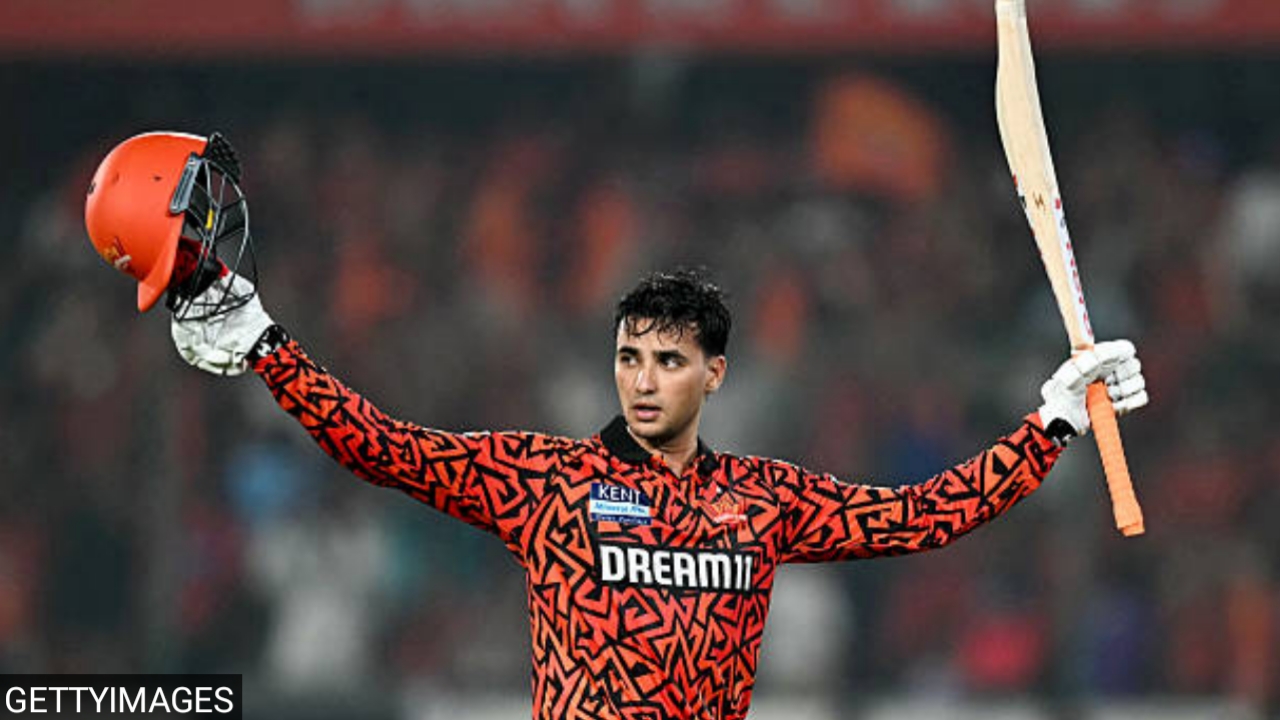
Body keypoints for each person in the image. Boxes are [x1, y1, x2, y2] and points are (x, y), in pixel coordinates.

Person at [89, 132, 1148, 720]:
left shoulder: (764, 501)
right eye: (629, 357)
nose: (643, 381)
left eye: (668, 362)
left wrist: (1051, 421)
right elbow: (382, 447)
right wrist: (269, 347)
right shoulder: (543, 479)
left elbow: (923, 515)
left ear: (714, 374)